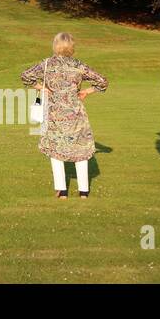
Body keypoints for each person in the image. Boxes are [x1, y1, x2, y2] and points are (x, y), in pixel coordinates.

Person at [21, 32, 108, 197]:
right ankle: (83, 192)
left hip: (55, 114)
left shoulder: (46, 64)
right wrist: (87, 92)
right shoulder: (78, 65)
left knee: (55, 150)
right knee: (80, 150)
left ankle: (62, 191)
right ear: (72, 47)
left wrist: (42, 88)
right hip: (76, 113)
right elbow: (102, 81)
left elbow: (26, 76)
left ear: (55, 45)